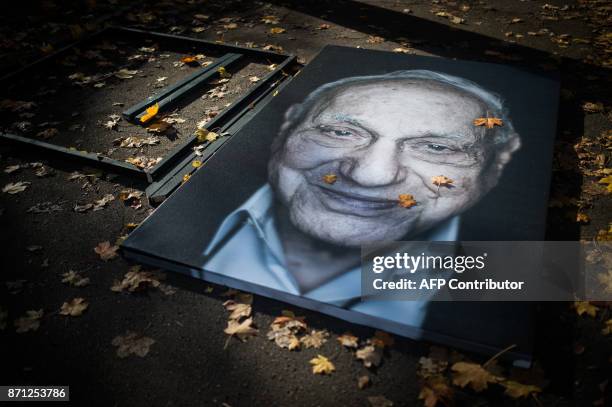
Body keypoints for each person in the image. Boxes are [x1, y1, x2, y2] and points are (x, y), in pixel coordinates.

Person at [202, 70, 521, 330]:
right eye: (340, 132)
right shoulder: (191, 213)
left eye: (436, 147)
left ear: (498, 162)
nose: (370, 176)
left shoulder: (518, 278)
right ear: (288, 127)